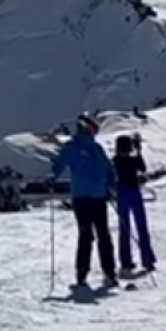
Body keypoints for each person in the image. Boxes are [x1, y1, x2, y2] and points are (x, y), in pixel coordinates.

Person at [51, 114, 118, 289]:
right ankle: (106, 273)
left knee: (88, 235)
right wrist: (111, 185)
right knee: (100, 235)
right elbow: (107, 169)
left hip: (87, 197)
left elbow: (108, 169)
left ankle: (85, 274)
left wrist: (53, 175)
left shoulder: (87, 148)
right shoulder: (86, 148)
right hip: (92, 197)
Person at [113, 134, 156, 273]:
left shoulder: (115, 160)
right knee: (141, 226)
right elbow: (142, 168)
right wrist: (139, 151)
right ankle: (147, 259)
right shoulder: (133, 160)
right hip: (134, 191)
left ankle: (125, 261)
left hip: (121, 193)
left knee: (124, 228)